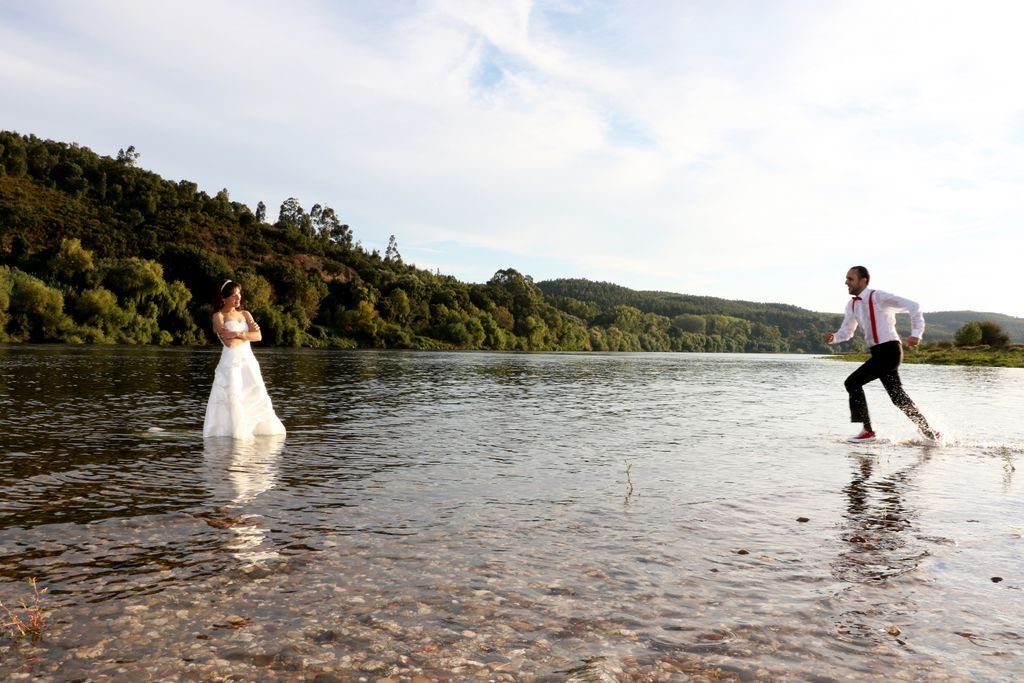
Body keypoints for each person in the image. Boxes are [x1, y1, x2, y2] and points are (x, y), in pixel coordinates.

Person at [824, 266, 940, 445]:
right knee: (897, 396)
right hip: (878, 352)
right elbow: (847, 331)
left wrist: (916, 333)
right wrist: (834, 338)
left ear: (864, 281)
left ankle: (868, 431)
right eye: (847, 279)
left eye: (850, 278)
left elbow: (914, 306)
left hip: (890, 350)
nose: (846, 282)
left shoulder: (878, 297)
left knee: (852, 382)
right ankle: (930, 432)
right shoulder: (852, 304)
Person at [203, 280, 286, 439]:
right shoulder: (218, 316)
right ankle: (233, 433)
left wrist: (237, 334)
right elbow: (230, 344)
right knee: (233, 397)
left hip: (249, 362)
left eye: (239, 295)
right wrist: (245, 336)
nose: (238, 298)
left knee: (254, 396)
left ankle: (254, 431)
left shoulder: (245, 314)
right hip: (231, 364)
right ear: (224, 298)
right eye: (234, 295)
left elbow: (259, 336)